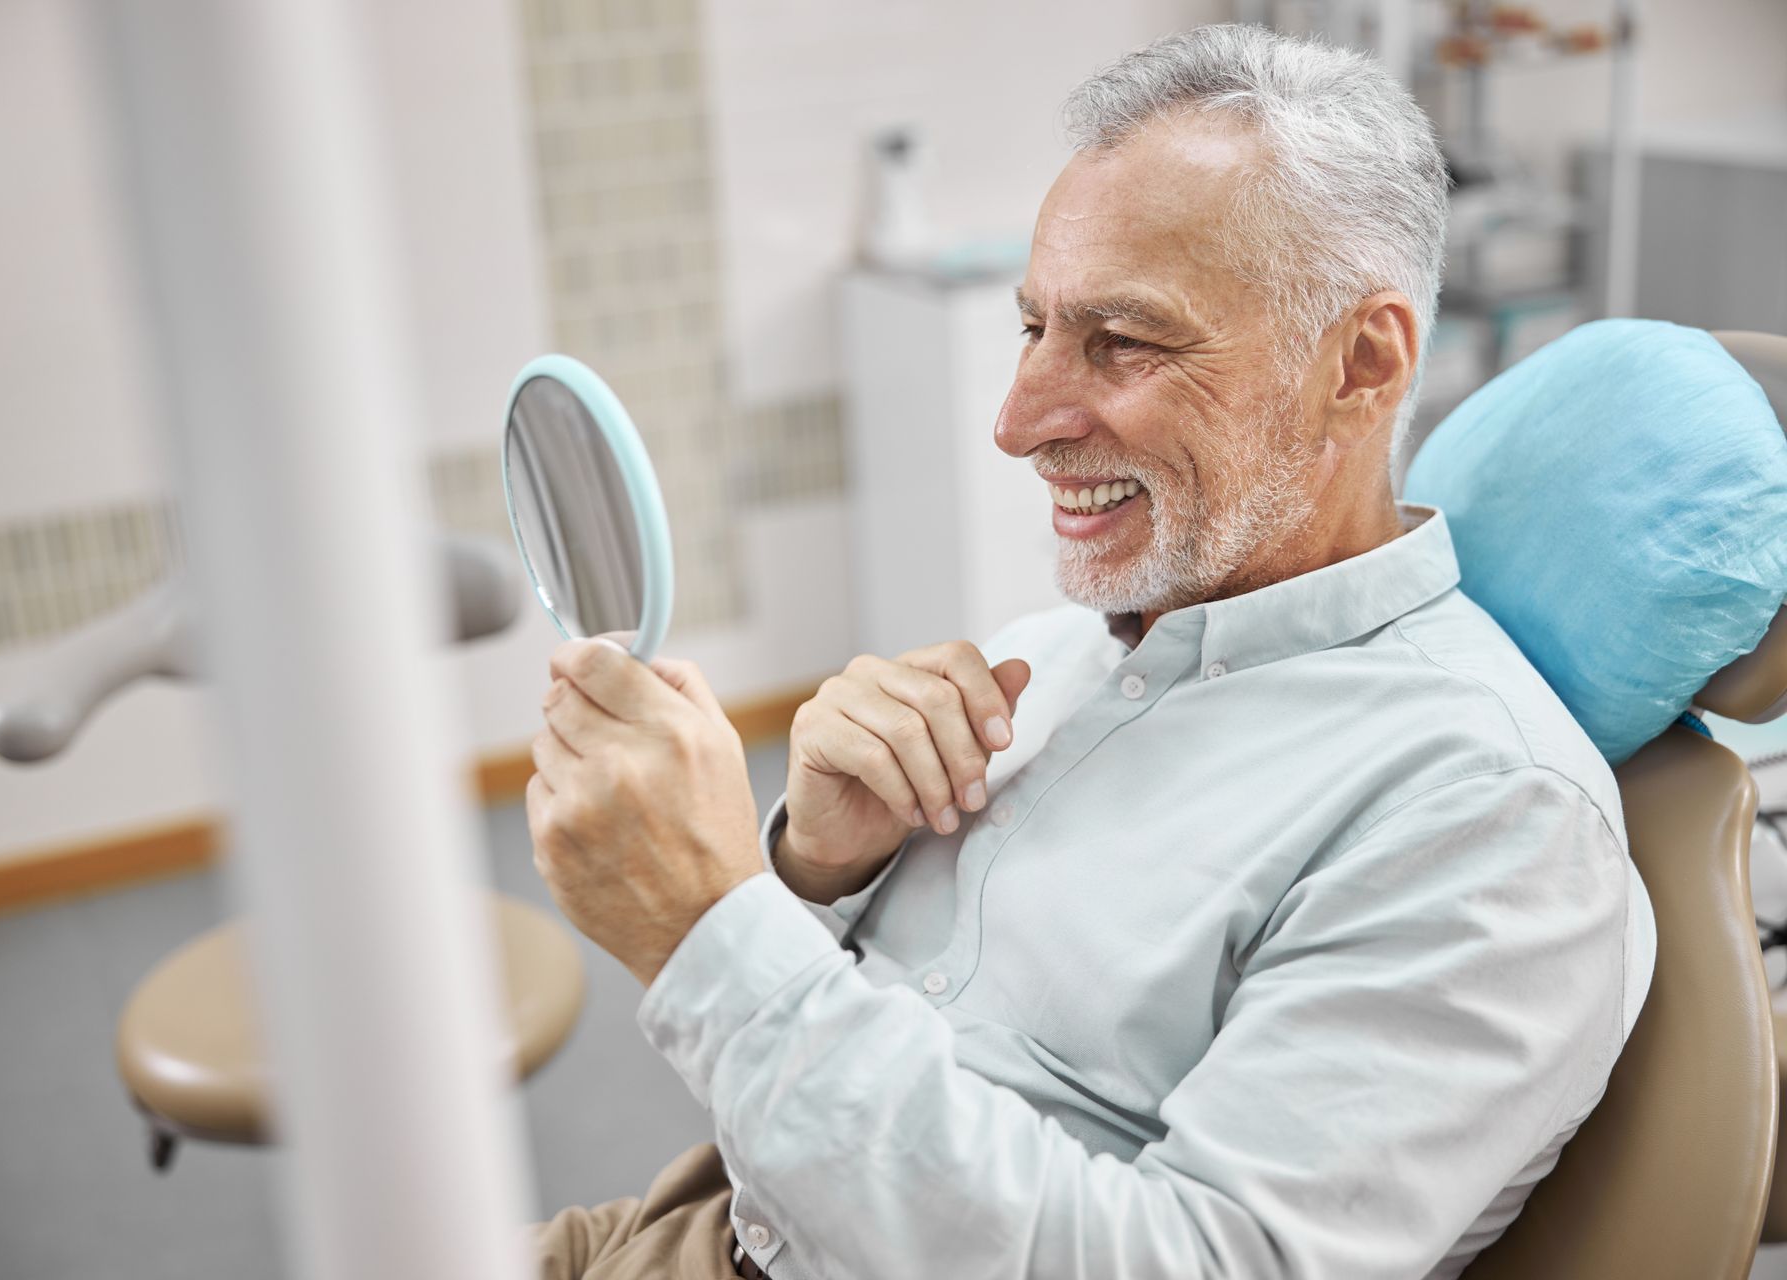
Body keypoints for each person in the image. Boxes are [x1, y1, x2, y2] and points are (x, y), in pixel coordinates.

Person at [521, 23, 1654, 1280]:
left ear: (1362, 361)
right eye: (1033, 328)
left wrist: (708, 925)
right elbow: (861, 1052)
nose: (1018, 423)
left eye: (1121, 342)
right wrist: (813, 867)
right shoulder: (1053, 653)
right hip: (703, 1219)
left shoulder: (1489, 820)